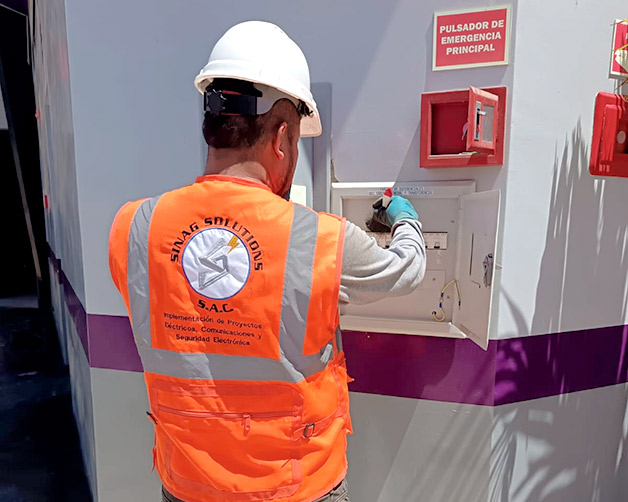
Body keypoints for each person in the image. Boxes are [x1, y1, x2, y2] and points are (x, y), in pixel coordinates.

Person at [108, 21, 425, 502]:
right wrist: (406, 218)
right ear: (280, 138)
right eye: (295, 142)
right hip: (296, 487)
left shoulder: (133, 228)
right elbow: (407, 269)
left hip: (187, 483)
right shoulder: (321, 240)